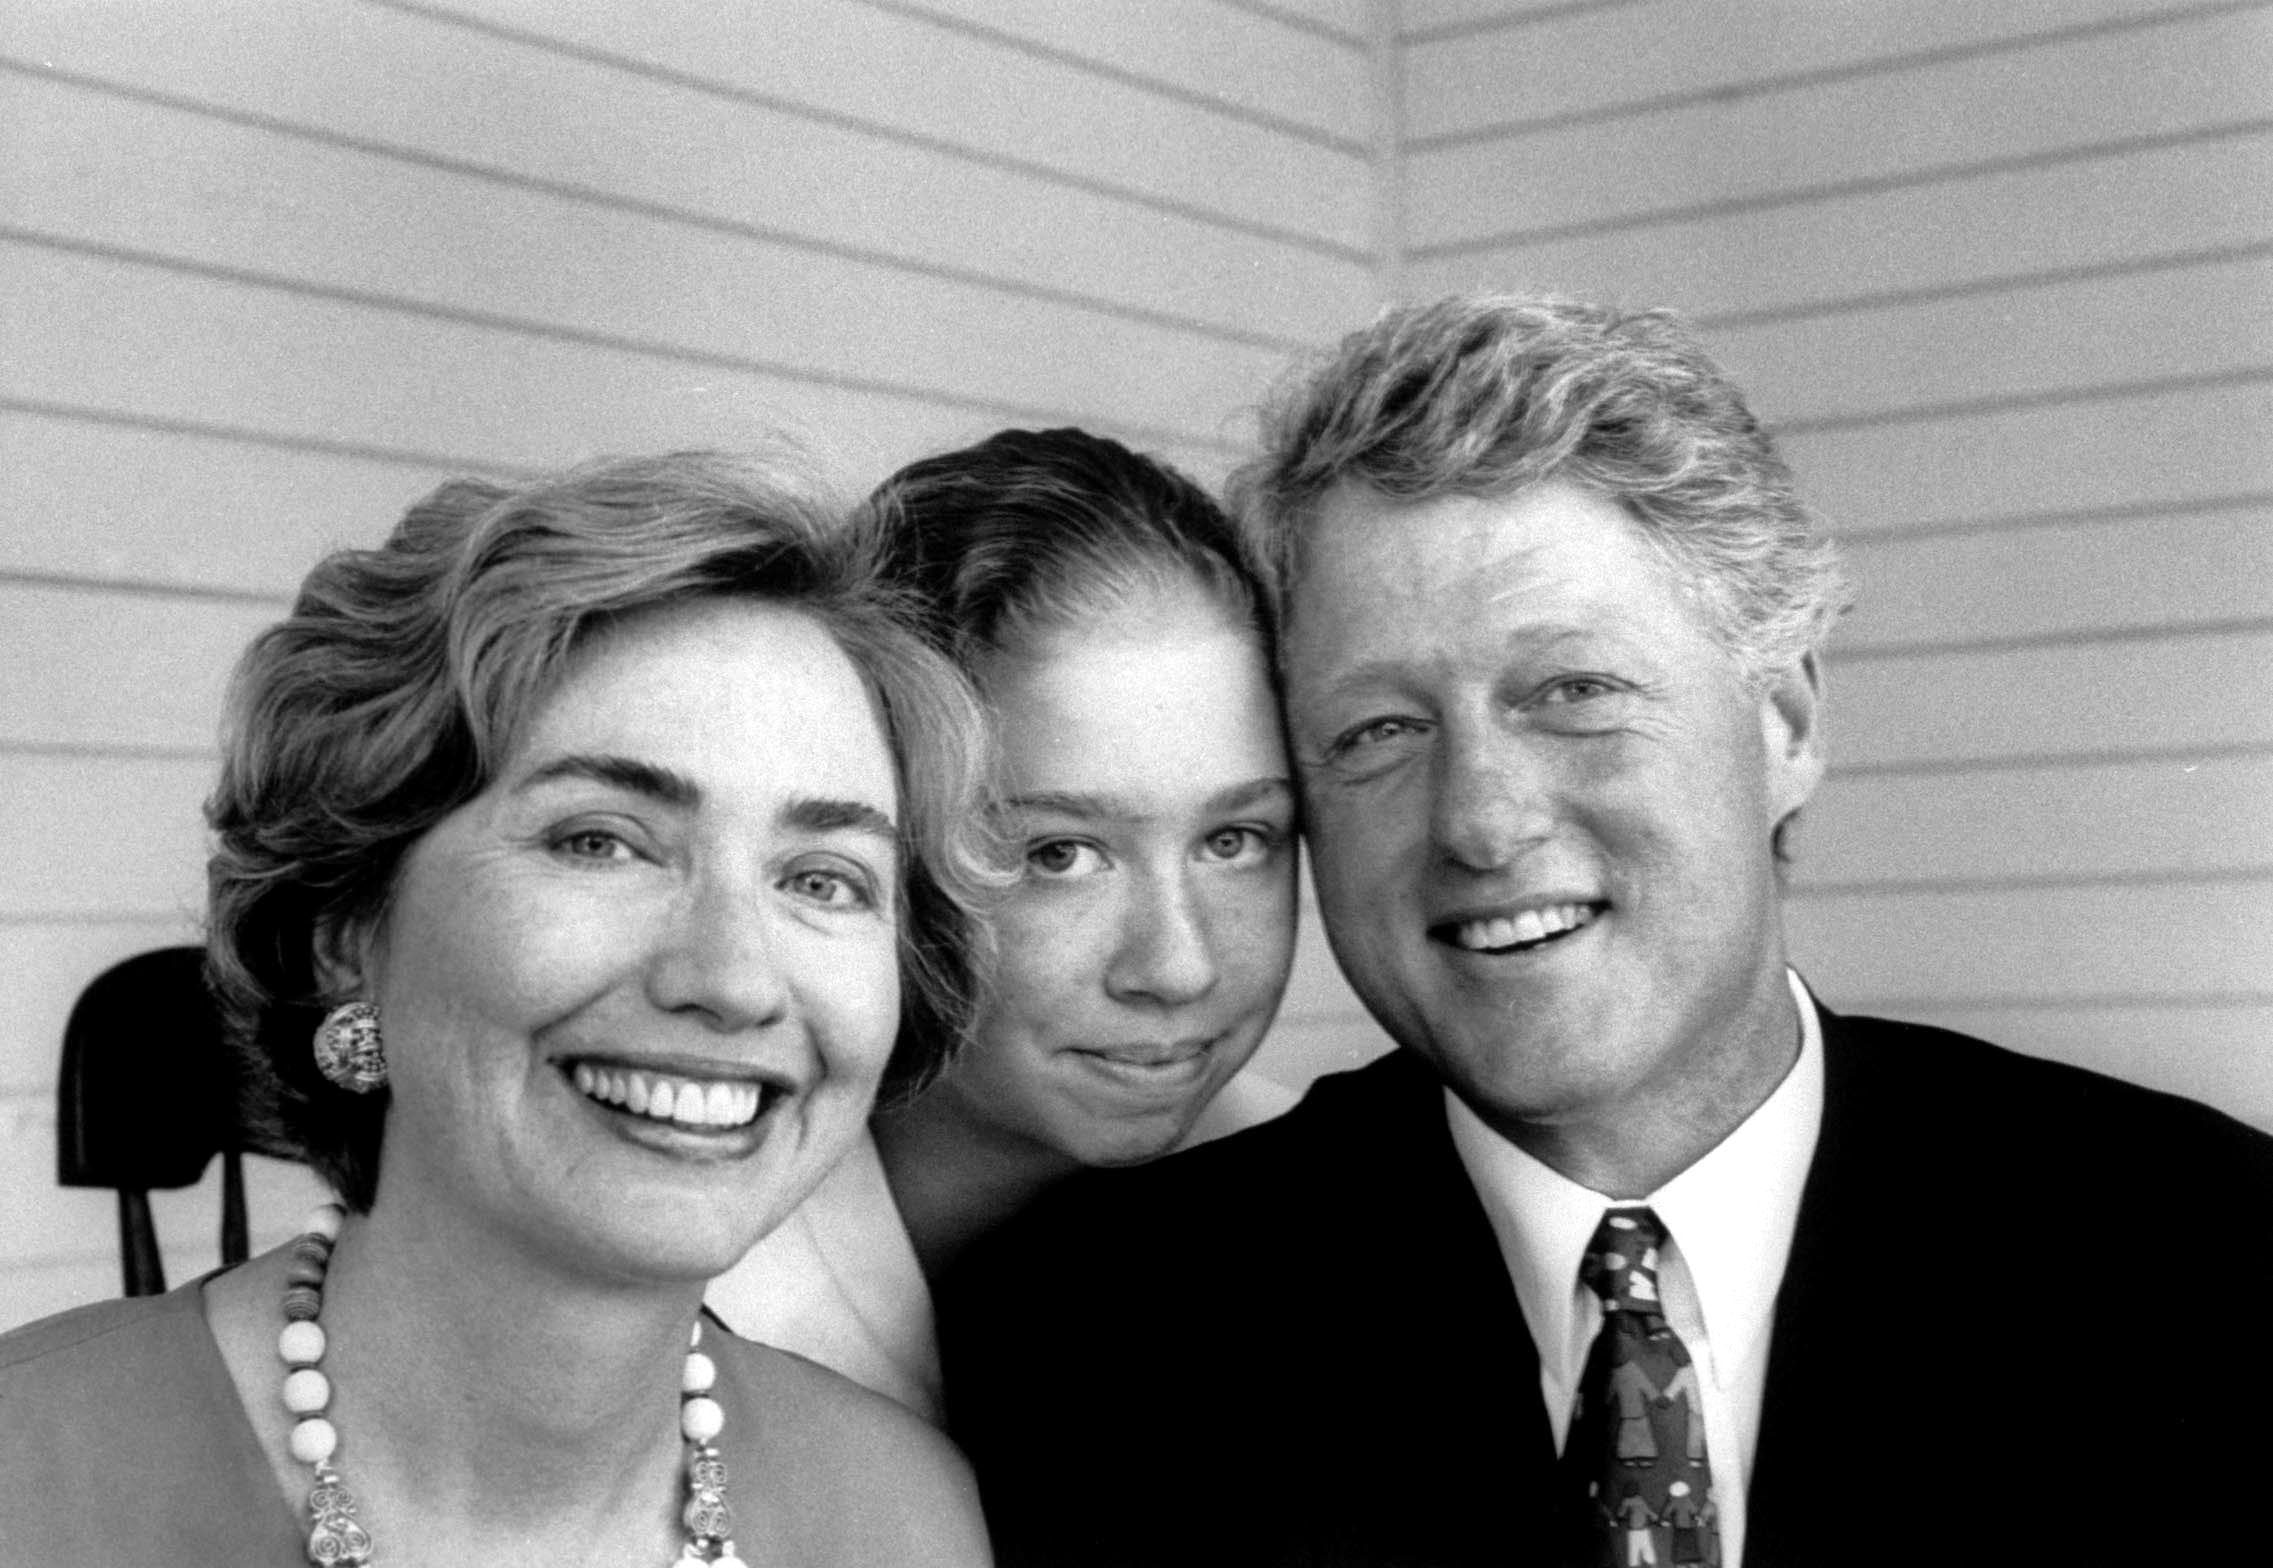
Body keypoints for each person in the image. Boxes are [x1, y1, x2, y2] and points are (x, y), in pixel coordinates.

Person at [934, 297, 2273, 1567]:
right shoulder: (1091, 1338)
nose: (1483, 820)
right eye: (1380, 731)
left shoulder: (2213, 1264)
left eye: (1573, 691)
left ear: (1785, 724)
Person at [0, 452, 997, 1565]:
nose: (732, 978)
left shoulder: (901, 1520)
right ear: (347, 927)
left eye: (822, 878)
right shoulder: (24, 1479)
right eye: (600, 840)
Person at [707, 428, 1299, 1421]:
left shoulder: (1332, 1216)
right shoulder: (683, 1246)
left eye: (1234, 839)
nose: (1177, 965)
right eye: (1058, 854)